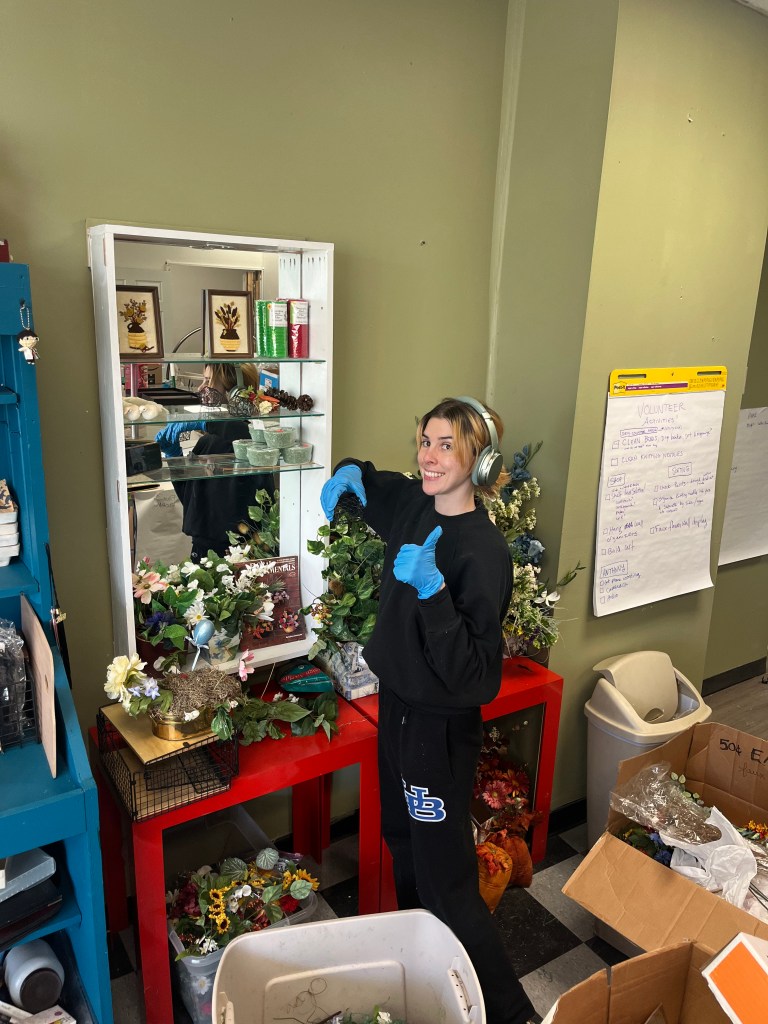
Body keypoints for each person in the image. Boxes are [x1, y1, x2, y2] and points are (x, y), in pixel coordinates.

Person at [320, 397, 537, 1024]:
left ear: (481, 458)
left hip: (438, 733)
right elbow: (374, 482)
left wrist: (435, 593)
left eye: (446, 445)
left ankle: (512, 1013)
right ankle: (432, 973)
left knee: (447, 880)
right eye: (424, 441)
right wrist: (351, 471)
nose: (428, 456)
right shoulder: (414, 506)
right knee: (402, 844)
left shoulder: (482, 552)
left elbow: (476, 678)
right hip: (398, 714)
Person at [155, 363, 274, 561]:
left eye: (208, 381)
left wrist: (207, 421)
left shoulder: (251, 442)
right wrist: (173, 456)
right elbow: (189, 497)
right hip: (205, 546)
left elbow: (240, 432)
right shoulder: (208, 442)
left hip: (240, 551)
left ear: (235, 392)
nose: (201, 388)